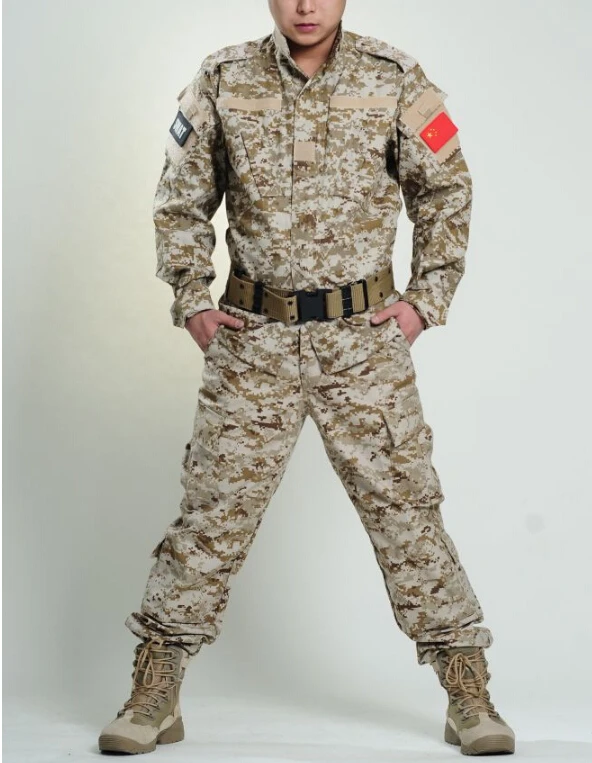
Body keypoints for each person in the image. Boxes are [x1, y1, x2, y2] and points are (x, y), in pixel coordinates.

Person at [98, 0, 515, 756]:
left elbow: (446, 189)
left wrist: (426, 299)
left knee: (406, 512)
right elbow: (180, 199)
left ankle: (468, 689)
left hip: (362, 343)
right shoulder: (223, 77)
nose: (305, 5)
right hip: (253, 341)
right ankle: (155, 689)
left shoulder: (394, 77)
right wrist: (191, 297)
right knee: (211, 516)